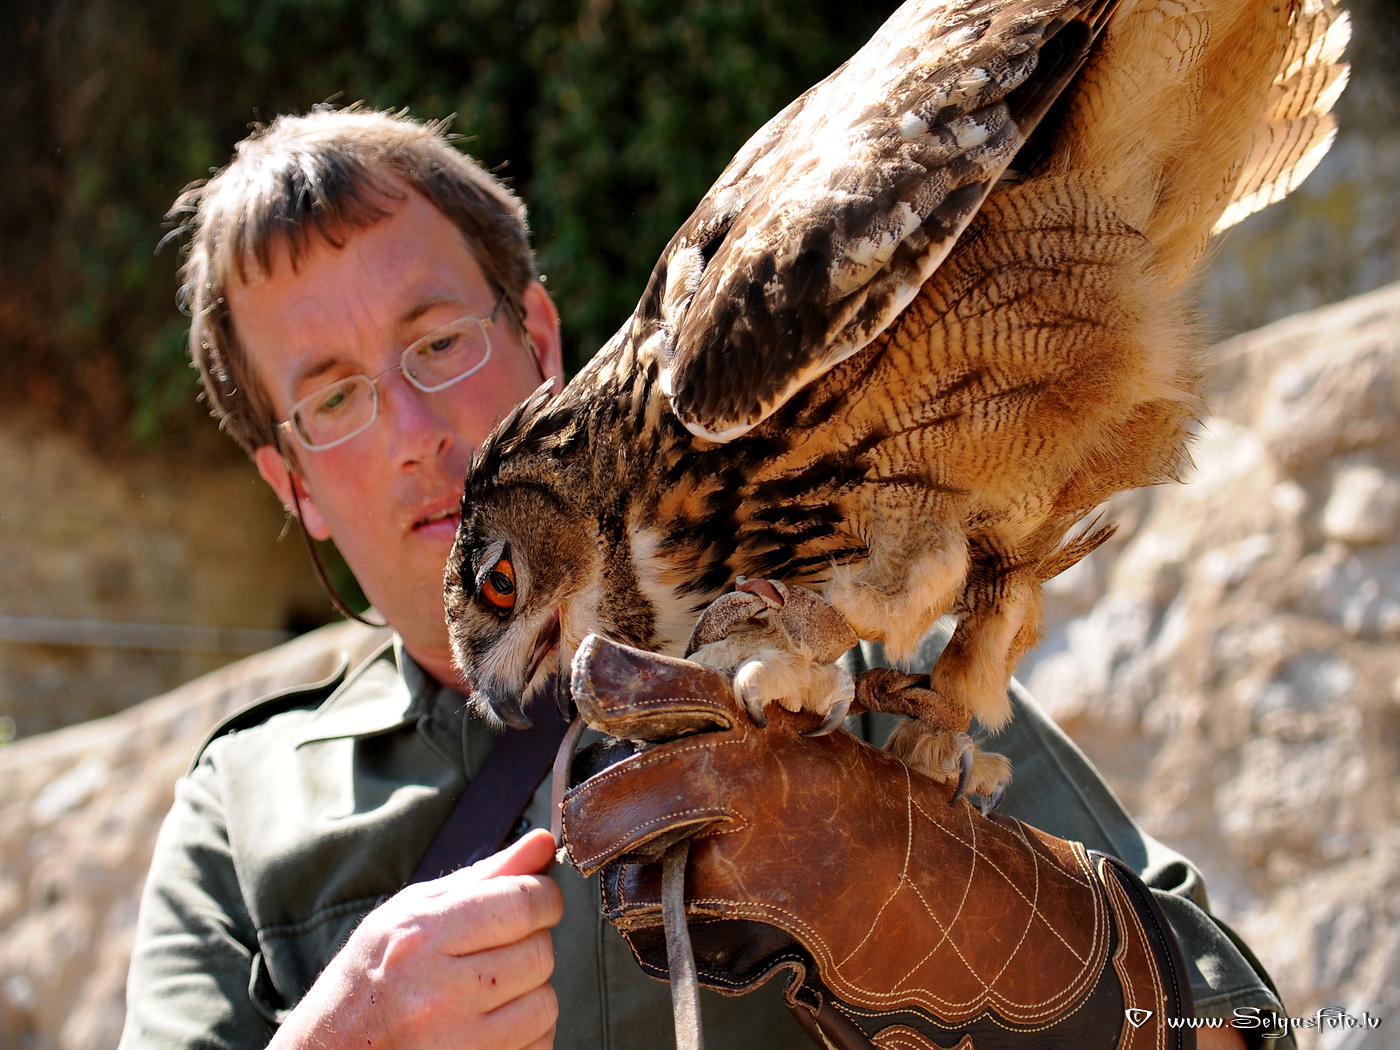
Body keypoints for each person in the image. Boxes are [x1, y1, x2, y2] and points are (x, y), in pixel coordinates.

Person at [120, 106, 1286, 1049]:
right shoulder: (241, 812)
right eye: (332, 398)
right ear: (293, 486)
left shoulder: (834, 623)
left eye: (437, 341)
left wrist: (936, 891)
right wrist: (343, 1038)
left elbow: (1219, 1025)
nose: (416, 427)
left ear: (537, 334)